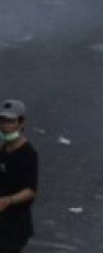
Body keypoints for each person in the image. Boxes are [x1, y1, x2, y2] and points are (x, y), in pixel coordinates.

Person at [0, 99, 37, 253]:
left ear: (21, 123)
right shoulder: (4, 149)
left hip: (14, 225)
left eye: (10, 122)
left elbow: (30, 190)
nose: (6, 126)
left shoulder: (27, 153)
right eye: (2, 121)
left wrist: (9, 200)